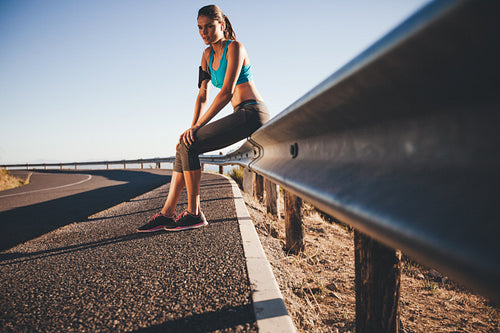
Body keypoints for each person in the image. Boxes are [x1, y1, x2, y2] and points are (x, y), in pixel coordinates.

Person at [138, 5, 269, 232]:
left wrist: (198, 127)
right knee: (185, 144)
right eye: (200, 28)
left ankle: (194, 213)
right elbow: (202, 96)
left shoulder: (235, 48)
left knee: (191, 143)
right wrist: (192, 128)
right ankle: (167, 213)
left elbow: (227, 92)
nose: (204, 33)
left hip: (253, 113)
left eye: (209, 26)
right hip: (240, 114)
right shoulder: (206, 56)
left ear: (222, 25)